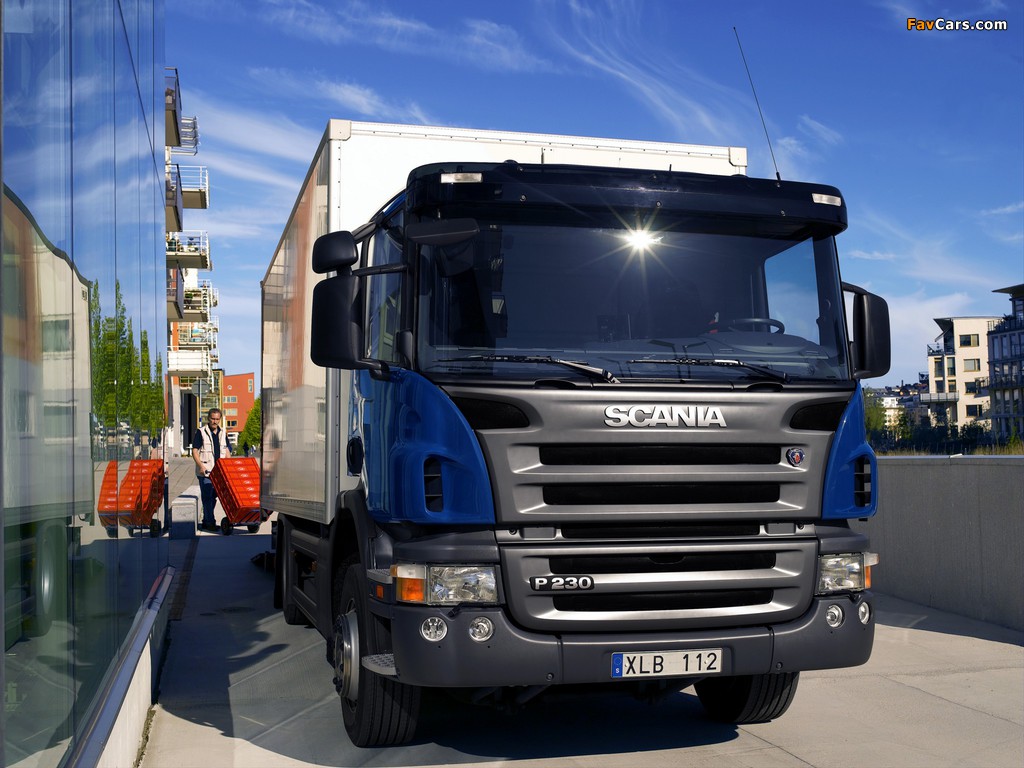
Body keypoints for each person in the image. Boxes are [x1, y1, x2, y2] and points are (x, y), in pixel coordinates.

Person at [192, 408, 229, 532]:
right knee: (207, 497)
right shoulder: (201, 432)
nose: (215, 421)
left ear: (220, 419)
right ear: (208, 418)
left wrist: (229, 466)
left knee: (214, 497)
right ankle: (210, 522)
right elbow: (195, 451)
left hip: (220, 473)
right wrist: (201, 466)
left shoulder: (223, 433)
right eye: (213, 419)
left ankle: (206, 521)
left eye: (217, 419)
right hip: (206, 472)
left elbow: (227, 450)